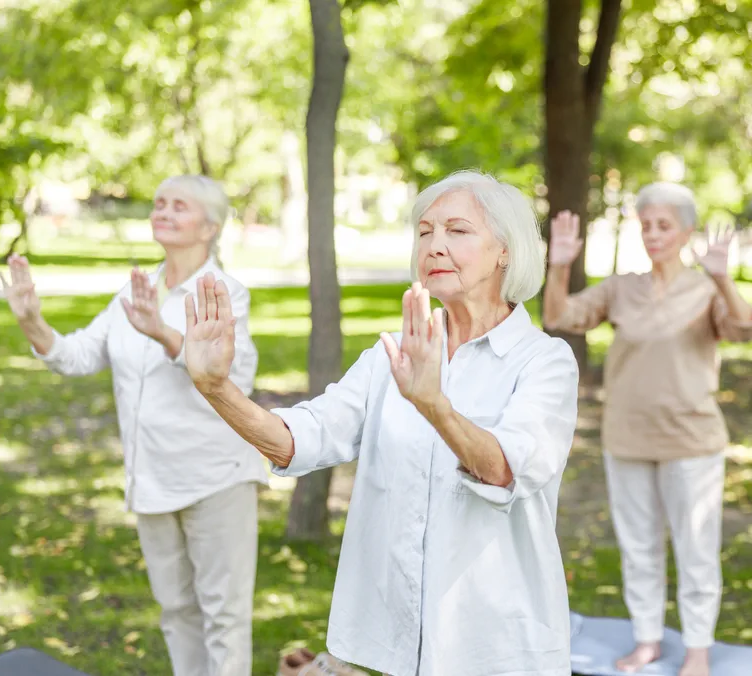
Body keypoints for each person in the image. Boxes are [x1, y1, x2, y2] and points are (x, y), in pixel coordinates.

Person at [179, 170, 580, 676]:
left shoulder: (545, 361)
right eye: (425, 232)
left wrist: (435, 406)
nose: (434, 246)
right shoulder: (389, 356)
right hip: (401, 642)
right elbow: (299, 440)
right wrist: (217, 388)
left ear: (506, 250)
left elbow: (506, 468)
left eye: (457, 230)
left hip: (497, 644)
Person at [1, 175, 265, 676]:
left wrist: (165, 333)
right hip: (152, 478)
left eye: (178, 206)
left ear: (209, 227)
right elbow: (79, 355)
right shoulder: (136, 290)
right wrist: (33, 322)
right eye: (159, 203)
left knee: (224, 618)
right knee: (176, 611)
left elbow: (238, 375)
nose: (162, 211)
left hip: (216, 477)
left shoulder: (224, 292)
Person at [542, 182, 752, 676]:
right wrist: (558, 263)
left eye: (664, 225)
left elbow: (744, 328)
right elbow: (559, 316)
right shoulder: (622, 287)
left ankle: (699, 648)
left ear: (686, 231)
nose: (653, 234)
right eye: (646, 225)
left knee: (696, 548)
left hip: (692, 440)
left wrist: (724, 279)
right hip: (627, 436)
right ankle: (647, 640)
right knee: (638, 546)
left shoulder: (705, 289)